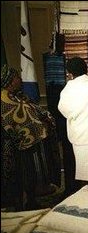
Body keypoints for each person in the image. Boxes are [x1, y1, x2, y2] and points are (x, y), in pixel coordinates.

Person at [1, 65, 60, 210]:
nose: (20, 80)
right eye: (16, 77)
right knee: (16, 176)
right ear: (9, 81)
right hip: (11, 146)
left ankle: (29, 201)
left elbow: (34, 111)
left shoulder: (17, 95)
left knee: (28, 173)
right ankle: (16, 205)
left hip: (24, 146)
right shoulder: (4, 99)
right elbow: (20, 118)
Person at [58, 57, 88, 190]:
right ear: (87, 69)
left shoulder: (68, 89)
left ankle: (86, 199)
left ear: (70, 73)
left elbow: (64, 110)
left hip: (81, 137)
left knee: (83, 174)